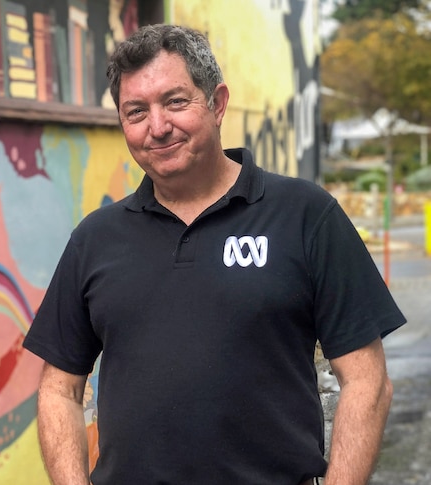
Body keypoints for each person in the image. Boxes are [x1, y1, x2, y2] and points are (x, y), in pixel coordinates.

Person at [23, 24, 405, 485]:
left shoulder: (305, 215)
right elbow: (58, 390)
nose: (157, 127)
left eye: (175, 102)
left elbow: (367, 381)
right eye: (136, 111)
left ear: (217, 103)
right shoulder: (96, 238)